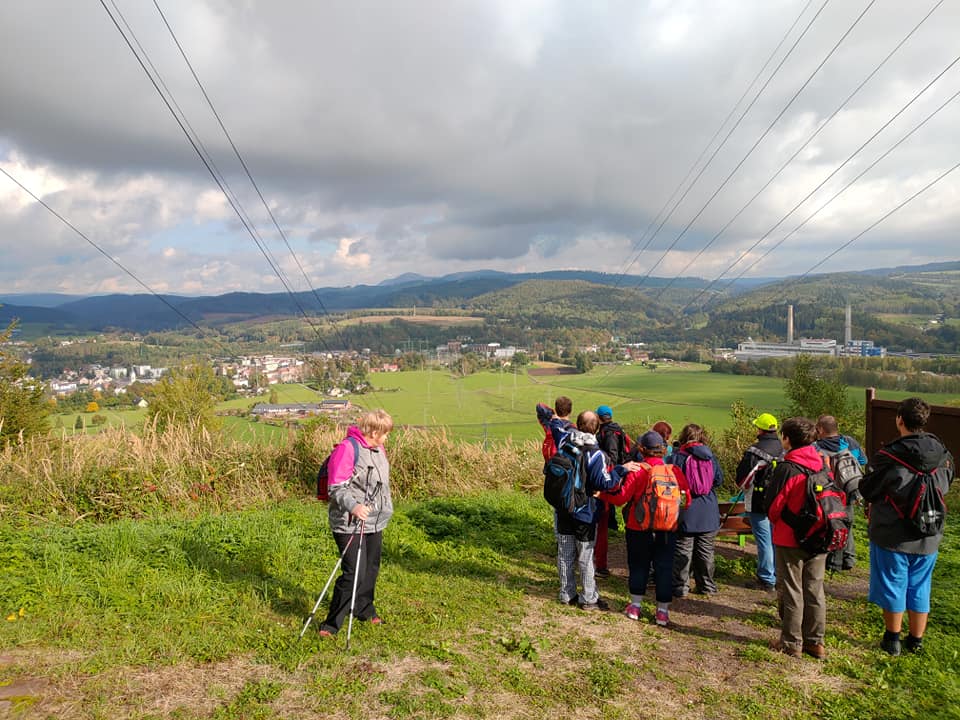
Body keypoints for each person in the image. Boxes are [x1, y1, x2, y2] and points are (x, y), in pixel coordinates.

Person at [859, 397, 955, 656]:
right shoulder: (942, 454)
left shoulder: (889, 456)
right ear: (925, 420)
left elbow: (867, 488)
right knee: (920, 585)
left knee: (893, 583)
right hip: (929, 530)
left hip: (892, 532)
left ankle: (892, 639)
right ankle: (916, 640)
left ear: (900, 419)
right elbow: (947, 482)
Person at [538, 404, 638, 610]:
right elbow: (604, 483)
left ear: (577, 424)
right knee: (585, 554)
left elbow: (550, 420)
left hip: (563, 506)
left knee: (565, 552)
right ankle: (588, 598)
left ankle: (567, 594)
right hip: (584, 510)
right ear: (596, 428)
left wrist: (553, 415)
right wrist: (621, 469)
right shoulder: (596, 454)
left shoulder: (565, 439)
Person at [599, 430, 688, 627]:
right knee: (664, 567)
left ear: (641, 449)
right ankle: (662, 613)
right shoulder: (674, 470)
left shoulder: (637, 470)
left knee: (638, 565)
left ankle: (635, 607)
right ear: (663, 449)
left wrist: (601, 495)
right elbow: (686, 498)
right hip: (667, 527)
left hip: (638, 526)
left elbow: (621, 498)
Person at [318, 409, 394, 637]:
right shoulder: (347, 449)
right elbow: (336, 487)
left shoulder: (379, 450)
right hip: (349, 522)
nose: (387, 437)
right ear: (374, 432)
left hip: (375, 520)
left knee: (370, 569)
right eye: (385, 433)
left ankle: (364, 609)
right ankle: (331, 624)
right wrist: (354, 507)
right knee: (354, 573)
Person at [767, 417, 830, 659]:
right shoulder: (823, 463)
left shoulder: (787, 468)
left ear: (787, 438)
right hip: (820, 534)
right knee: (815, 589)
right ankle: (815, 642)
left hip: (790, 537)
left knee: (792, 590)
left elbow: (773, 506)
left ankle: (791, 642)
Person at [669, 424, 723, 597]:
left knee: (682, 550)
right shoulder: (710, 458)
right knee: (706, 551)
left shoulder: (676, 458)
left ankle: (680, 587)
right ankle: (707, 586)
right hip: (708, 510)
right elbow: (718, 480)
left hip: (685, 509)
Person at [735, 412, 783, 592]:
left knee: (764, 541)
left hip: (758, 501)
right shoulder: (785, 449)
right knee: (776, 539)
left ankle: (766, 578)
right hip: (779, 501)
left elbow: (743, 479)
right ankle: (778, 575)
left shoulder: (755, 451)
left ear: (760, 429)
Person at [815, 415, 867, 572]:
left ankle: (833, 562)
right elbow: (863, 461)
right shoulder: (850, 442)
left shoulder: (816, 447)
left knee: (832, 524)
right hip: (849, 488)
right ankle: (849, 558)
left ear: (820, 429)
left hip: (830, 492)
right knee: (847, 522)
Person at [594, 404, 631, 577]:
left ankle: (599, 564)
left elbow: (612, 456)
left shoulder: (608, 433)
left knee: (601, 520)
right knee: (603, 518)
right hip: (613, 477)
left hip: (607, 479)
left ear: (599, 417)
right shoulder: (616, 430)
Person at [540, 396, 573, 462]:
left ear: (555, 409)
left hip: (551, 463)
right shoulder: (573, 428)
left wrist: (553, 414)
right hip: (566, 464)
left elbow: (540, 406)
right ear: (570, 411)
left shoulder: (551, 424)